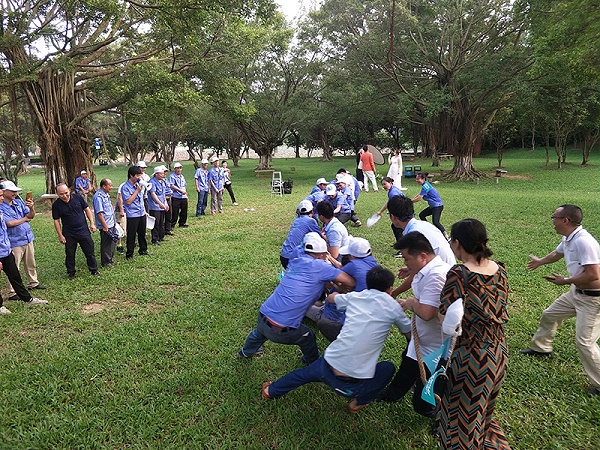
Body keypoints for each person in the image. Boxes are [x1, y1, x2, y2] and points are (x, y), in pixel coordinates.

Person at [261, 266, 411, 414]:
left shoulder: (356, 296)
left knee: (301, 375)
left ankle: (270, 390)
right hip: (351, 386)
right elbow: (409, 333)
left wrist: (339, 291)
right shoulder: (394, 308)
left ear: (367, 284)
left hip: (327, 365)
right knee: (388, 368)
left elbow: (331, 298)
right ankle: (360, 401)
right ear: (390, 289)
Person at [437, 218, 510, 449]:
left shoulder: (459, 273)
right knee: (482, 412)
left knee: (463, 422)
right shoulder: (500, 269)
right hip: (499, 352)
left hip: (472, 356)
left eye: (451, 240)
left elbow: (443, 318)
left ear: (457, 243)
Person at [238, 232, 356, 363]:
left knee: (258, 334)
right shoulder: (321, 267)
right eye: (324, 254)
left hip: (263, 315)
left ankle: (246, 352)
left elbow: (300, 249)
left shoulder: (296, 259)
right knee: (308, 336)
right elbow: (351, 282)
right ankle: (311, 361)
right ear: (321, 254)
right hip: (282, 329)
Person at [521, 205, 600, 397]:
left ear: (565, 220)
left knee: (585, 342)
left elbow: (594, 275)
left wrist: (564, 281)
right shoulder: (568, 237)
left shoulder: (584, 242)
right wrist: (540, 261)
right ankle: (541, 348)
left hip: (593, 299)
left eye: (554, 217)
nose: (552, 220)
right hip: (576, 293)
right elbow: (557, 253)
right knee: (550, 315)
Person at [380, 232, 451, 419]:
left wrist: (411, 303)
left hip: (435, 347)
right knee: (408, 366)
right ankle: (393, 394)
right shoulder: (425, 268)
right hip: (422, 340)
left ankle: (440, 417)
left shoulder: (437, 275)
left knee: (423, 401)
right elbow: (418, 282)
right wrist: (411, 273)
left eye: (406, 258)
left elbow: (427, 313)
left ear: (422, 256)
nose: (404, 262)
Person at [306, 237, 379, 342]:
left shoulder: (353, 265)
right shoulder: (372, 264)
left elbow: (331, 279)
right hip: (366, 316)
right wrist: (331, 258)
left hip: (339, 315)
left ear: (352, 256)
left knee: (306, 307)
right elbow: (343, 272)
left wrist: (325, 265)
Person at [387, 196, 455, 297]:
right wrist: (411, 269)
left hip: (443, 280)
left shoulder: (414, 234)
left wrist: (395, 293)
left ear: (393, 217)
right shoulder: (422, 224)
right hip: (450, 272)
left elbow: (416, 274)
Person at [0, 184, 47, 314]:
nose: (1, 198)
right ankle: (4, 301)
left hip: (11, 246)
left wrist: (31, 209)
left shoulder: (17, 203)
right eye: (0, 195)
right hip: (11, 244)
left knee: (16, 273)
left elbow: (30, 216)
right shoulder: (2, 208)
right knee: (14, 270)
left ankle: (28, 298)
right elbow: (9, 224)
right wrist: (25, 219)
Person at [52, 183, 100, 280]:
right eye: (61, 194)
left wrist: (92, 223)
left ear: (69, 190)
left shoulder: (78, 198)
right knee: (70, 254)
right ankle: (71, 273)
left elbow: (87, 209)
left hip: (83, 230)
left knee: (89, 251)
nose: (65, 196)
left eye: (66, 193)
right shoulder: (56, 205)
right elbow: (56, 221)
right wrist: (60, 235)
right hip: (69, 233)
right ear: (57, 194)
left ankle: (94, 270)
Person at [279, 200, 320, 269]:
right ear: (312, 211)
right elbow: (319, 238)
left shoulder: (296, 221)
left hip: (284, 254)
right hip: (293, 257)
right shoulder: (311, 221)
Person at [121, 165, 148, 260]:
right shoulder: (125, 187)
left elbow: (141, 200)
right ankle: (129, 254)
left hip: (141, 213)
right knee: (131, 235)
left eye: (140, 175)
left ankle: (143, 249)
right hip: (133, 214)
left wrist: (145, 211)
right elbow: (128, 201)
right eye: (137, 175)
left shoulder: (138, 185)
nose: (139, 177)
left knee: (142, 233)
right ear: (131, 176)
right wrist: (136, 191)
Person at [412, 172, 449, 240]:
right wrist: (412, 199)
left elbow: (420, 198)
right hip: (433, 207)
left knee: (436, 222)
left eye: (418, 179)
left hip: (437, 206)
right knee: (422, 215)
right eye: (416, 179)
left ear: (423, 179)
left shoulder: (425, 186)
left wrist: (411, 201)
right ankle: (429, 230)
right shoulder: (425, 185)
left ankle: (446, 236)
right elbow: (419, 194)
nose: (417, 180)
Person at [92, 178, 117, 268]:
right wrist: (104, 226)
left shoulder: (106, 195)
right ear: (104, 186)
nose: (111, 187)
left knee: (112, 241)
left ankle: (110, 258)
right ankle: (106, 262)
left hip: (111, 222)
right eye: (109, 185)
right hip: (106, 224)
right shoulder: (98, 197)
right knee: (106, 243)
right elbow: (100, 213)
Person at [377, 176, 406, 244]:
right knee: (396, 227)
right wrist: (380, 211)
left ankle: (402, 248)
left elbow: (397, 205)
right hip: (404, 211)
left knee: (397, 228)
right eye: (382, 184)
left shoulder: (393, 193)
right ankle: (401, 244)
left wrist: (393, 213)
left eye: (385, 184)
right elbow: (389, 203)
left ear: (390, 183)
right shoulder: (392, 190)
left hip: (404, 212)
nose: (384, 186)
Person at [147, 165, 170, 245]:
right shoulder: (152, 182)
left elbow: (163, 194)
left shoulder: (162, 181)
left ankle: (161, 236)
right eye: (161, 173)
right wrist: (160, 204)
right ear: (156, 174)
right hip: (155, 206)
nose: (163, 175)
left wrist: (165, 203)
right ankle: (155, 239)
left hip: (162, 205)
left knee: (161, 222)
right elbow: (153, 194)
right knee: (156, 223)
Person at [169, 162, 189, 228]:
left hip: (183, 196)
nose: (179, 169)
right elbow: (172, 185)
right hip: (176, 196)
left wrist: (186, 195)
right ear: (174, 169)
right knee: (175, 211)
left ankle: (182, 223)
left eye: (180, 168)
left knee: (184, 211)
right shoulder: (172, 176)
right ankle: (172, 224)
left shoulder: (182, 176)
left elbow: (184, 186)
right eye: (177, 168)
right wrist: (180, 191)